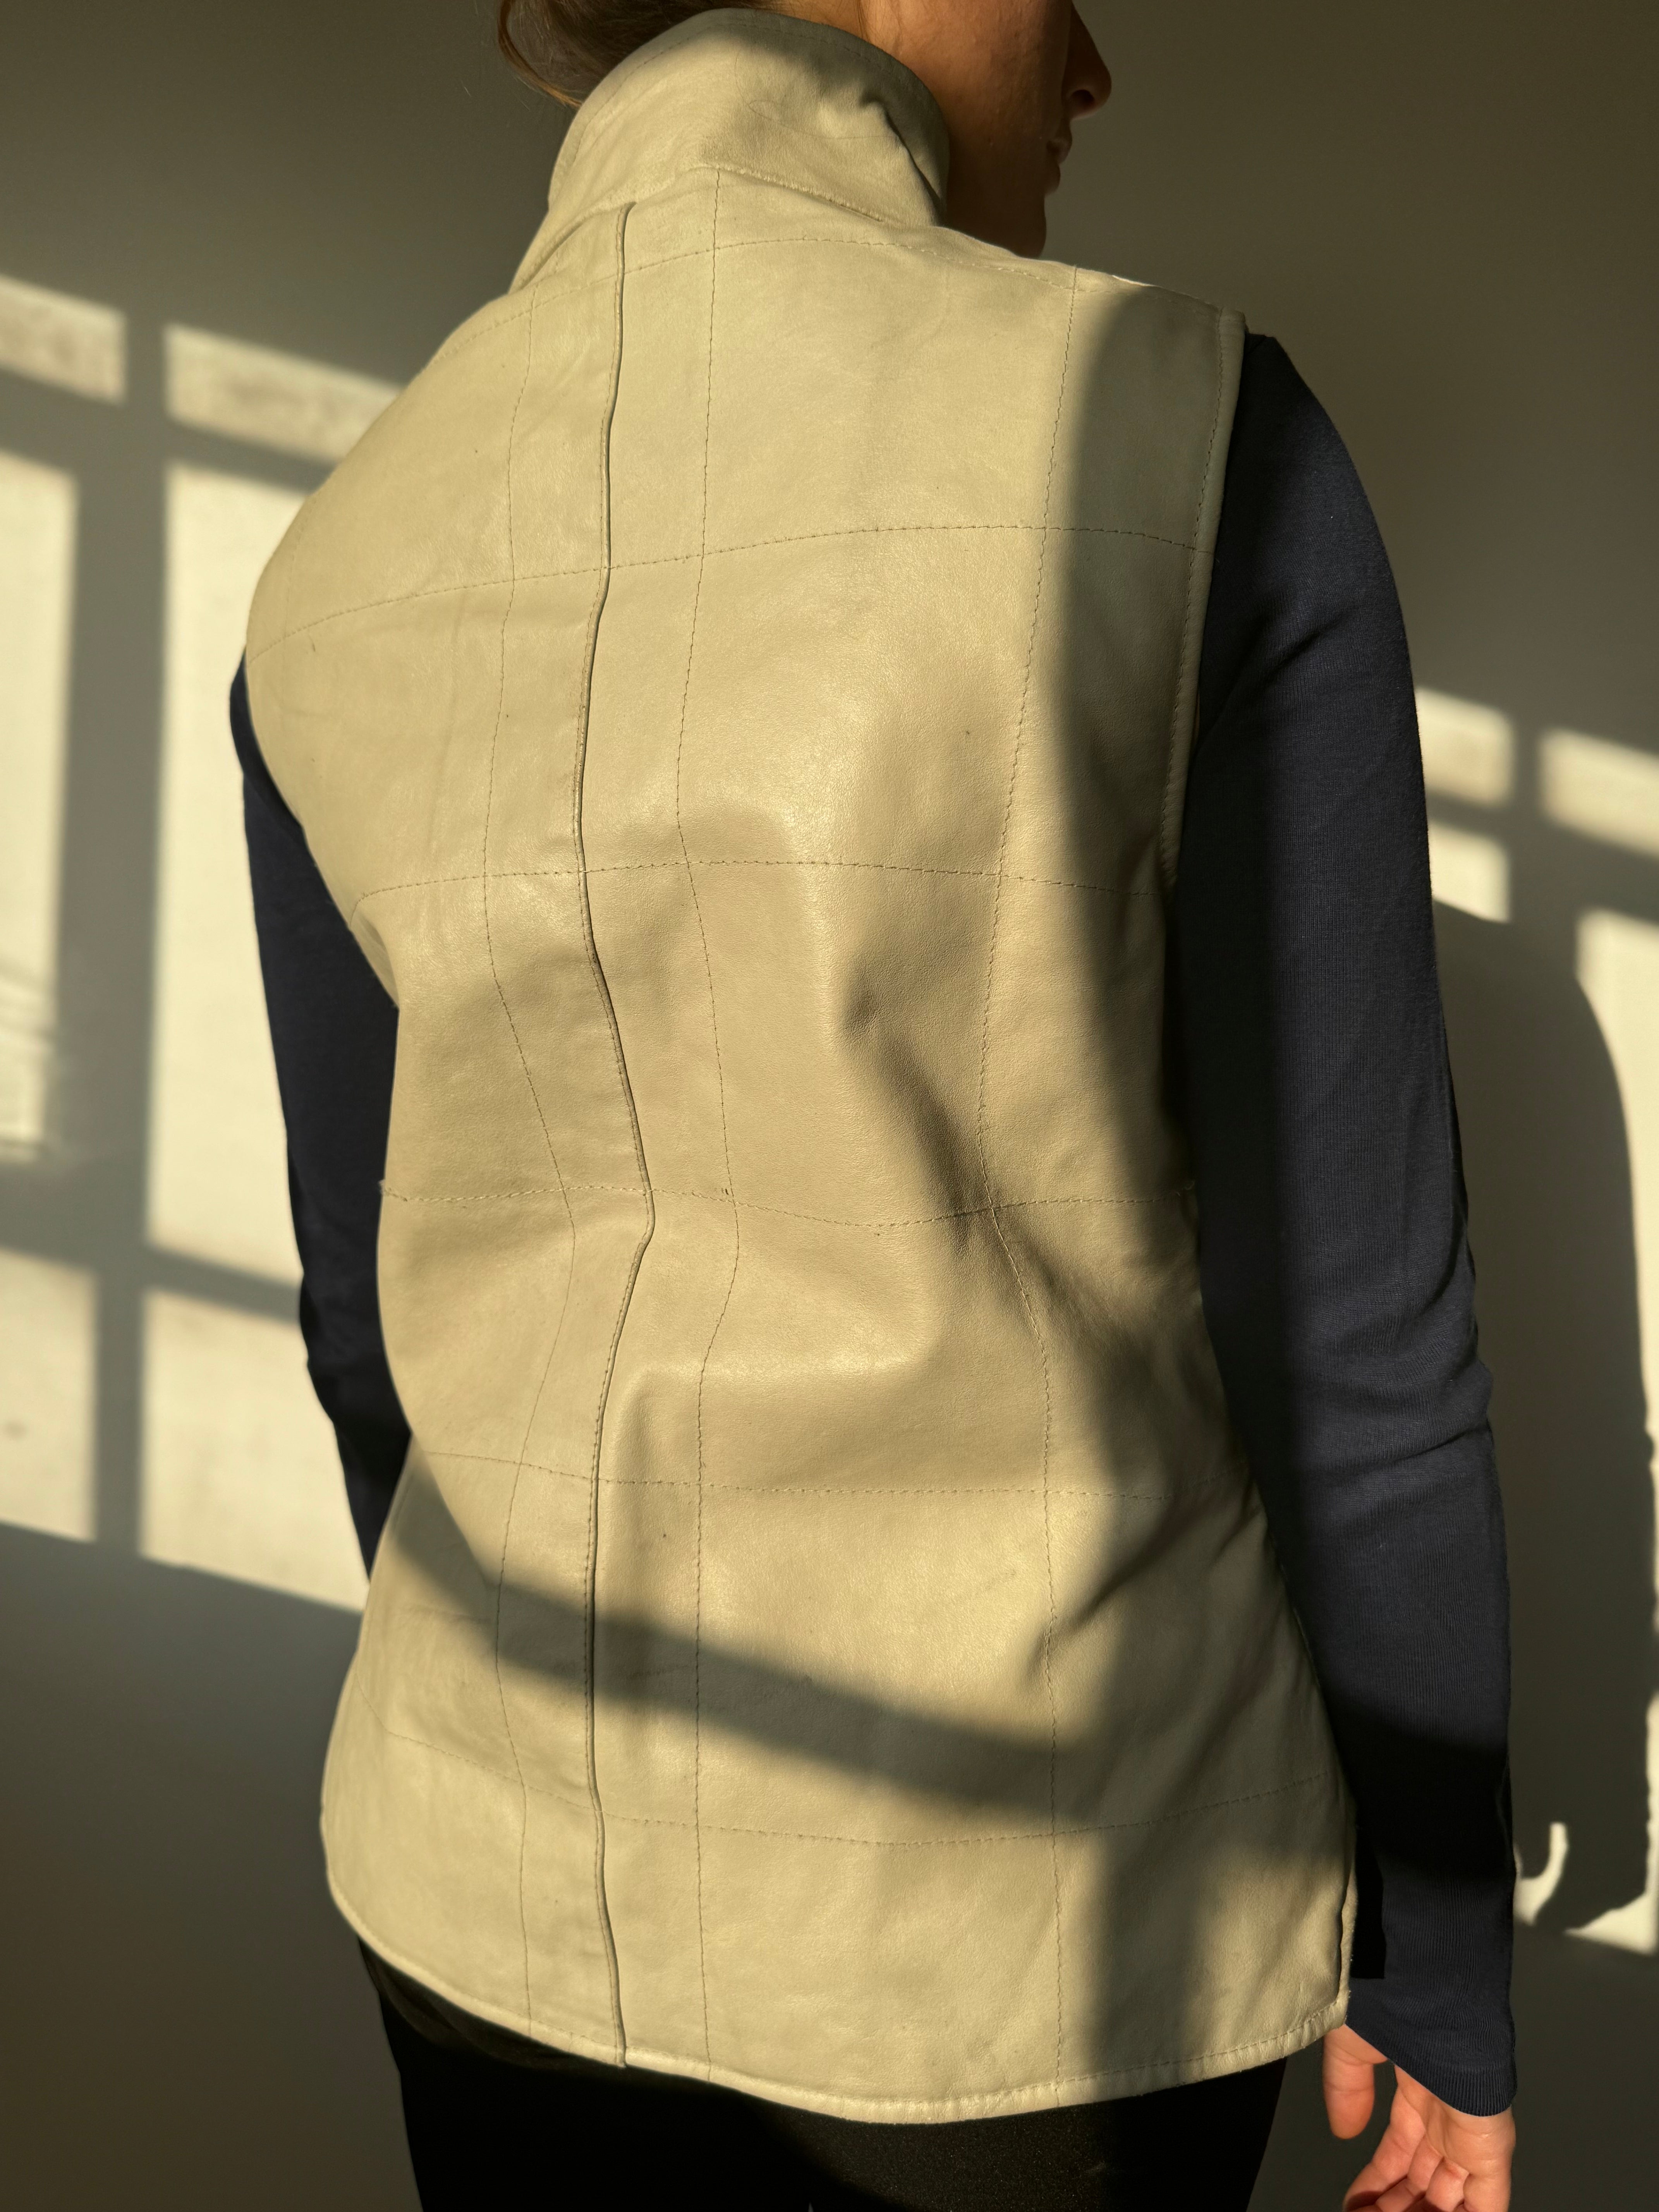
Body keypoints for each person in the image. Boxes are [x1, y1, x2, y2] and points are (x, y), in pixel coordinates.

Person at [234, 5, 1518, 2205]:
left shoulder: (337, 554)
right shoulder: (1193, 435)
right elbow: (1353, 1344)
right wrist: (1445, 1958)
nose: (1094, 74)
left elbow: (365, 1320)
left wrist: (523, 1737)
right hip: (1031, 1955)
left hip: (470, 1900)